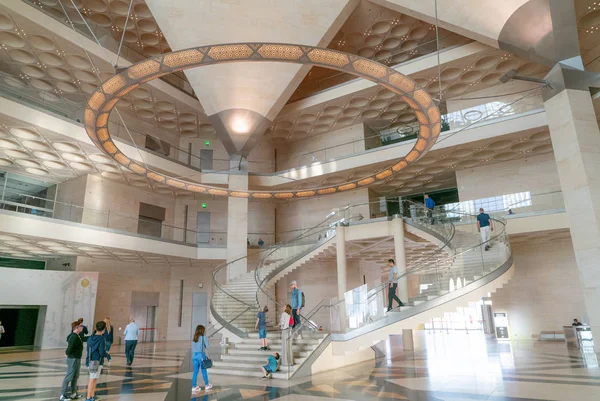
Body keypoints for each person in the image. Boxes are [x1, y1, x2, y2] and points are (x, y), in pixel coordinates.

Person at [84, 321, 109, 401]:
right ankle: (88, 398)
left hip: (90, 360)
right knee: (92, 380)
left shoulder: (90, 338)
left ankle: (92, 396)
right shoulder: (101, 339)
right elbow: (102, 352)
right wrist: (107, 355)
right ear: (104, 330)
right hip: (96, 362)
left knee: (94, 379)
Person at [60, 321, 84, 401]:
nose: (82, 327)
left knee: (75, 376)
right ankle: (62, 395)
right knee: (69, 376)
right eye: (81, 326)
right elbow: (70, 347)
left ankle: (73, 393)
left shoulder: (77, 336)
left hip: (77, 358)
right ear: (77, 327)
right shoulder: (73, 336)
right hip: (73, 358)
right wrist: (67, 353)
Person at [191, 325, 212, 393]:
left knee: (195, 372)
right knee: (204, 371)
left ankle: (194, 386)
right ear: (202, 330)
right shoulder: (203, 337)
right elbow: (207, 346)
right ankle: (207, 385)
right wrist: (207, 341)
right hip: (201, 355)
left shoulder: (194, 337)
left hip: (194, 356)